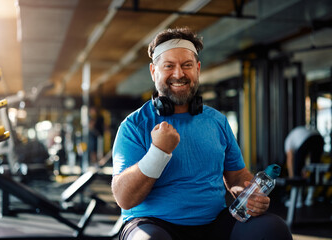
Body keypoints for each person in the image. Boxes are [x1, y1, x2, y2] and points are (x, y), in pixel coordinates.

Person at [112, 27, 292, 240]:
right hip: (153, 223)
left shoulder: (217, 121)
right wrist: (158, 152)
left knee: (273, 229)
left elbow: (236, 175)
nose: (179, 74)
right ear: (153, 71)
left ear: (197, 69)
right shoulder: (134, 125)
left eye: (186, 65)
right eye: (169, 66)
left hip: (213, 222)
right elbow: (124, 198)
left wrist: (247, 193)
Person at [284, 125, 324, 207]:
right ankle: (310, 199)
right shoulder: (297, 136)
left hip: (307, 140)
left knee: (296, 170)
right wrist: (304, 169)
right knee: (314, 168)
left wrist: (292, 177)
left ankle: (297, 200)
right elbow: (305, 157)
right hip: (319, 138)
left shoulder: (287, 142)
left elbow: (290, 158)